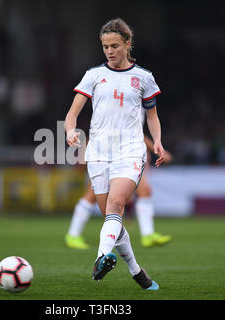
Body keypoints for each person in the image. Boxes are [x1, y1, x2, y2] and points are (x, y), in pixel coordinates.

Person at [64, 18, 166, 290]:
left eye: (115, 46)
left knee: (115, 207)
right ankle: (137, 272)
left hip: (130, 151)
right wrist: (70, 131)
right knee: (113, 221)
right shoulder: (93, 75)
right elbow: (72, 114)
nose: (109, 51)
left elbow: (153, 116)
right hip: (98, 152)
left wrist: (156, 141)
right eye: (105, 46)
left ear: (128, 44)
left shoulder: (143, 77)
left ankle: (100, 258)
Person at [65, 135, 173, 250]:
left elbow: (137, 132)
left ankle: (148, 234)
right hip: (108, 152)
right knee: (92, 195)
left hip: (125, 154)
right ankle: (73, 235)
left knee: (145, 191)